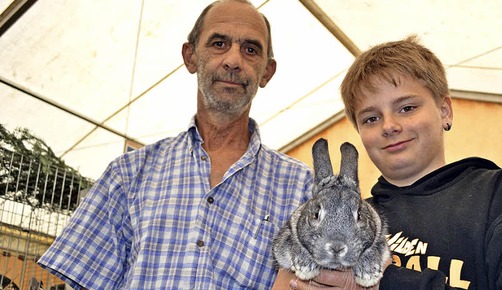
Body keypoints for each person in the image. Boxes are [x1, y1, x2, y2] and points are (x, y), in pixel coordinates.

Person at [37, 1, 313, 289]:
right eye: (219, 43)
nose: (233, 60)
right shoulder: (128, 174)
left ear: (266, 72)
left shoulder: (301, 187)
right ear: (190, 57)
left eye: (250, 49)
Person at [282, 35, 502, 289]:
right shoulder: (351, 217)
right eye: (371, 118)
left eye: (406, 108)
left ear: (445, 111)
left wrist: (387, 283)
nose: (389, 126)